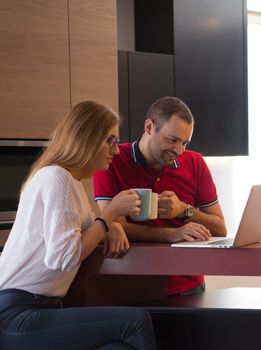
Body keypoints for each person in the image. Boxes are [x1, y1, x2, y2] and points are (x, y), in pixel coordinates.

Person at [0, 101, 157, 350]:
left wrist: (110, 224)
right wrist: (109, 217)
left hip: (35, 310)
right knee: (135, 322)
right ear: (86, 138)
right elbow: (63, 256)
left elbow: (84, 230)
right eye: (110, 140)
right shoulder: (57, 178)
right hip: (18, 315)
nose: (116, 151)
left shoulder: (70, 183)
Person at [93, 96, 227, 296]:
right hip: (133, 286)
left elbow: (220, 228)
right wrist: (173, 234)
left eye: (185, 143)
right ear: (149, 127)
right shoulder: (112, 160)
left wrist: (184, 210)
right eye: (173, 140)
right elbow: (114, 225)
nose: (179, 151)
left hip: (188, 285)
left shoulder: (195, 162)